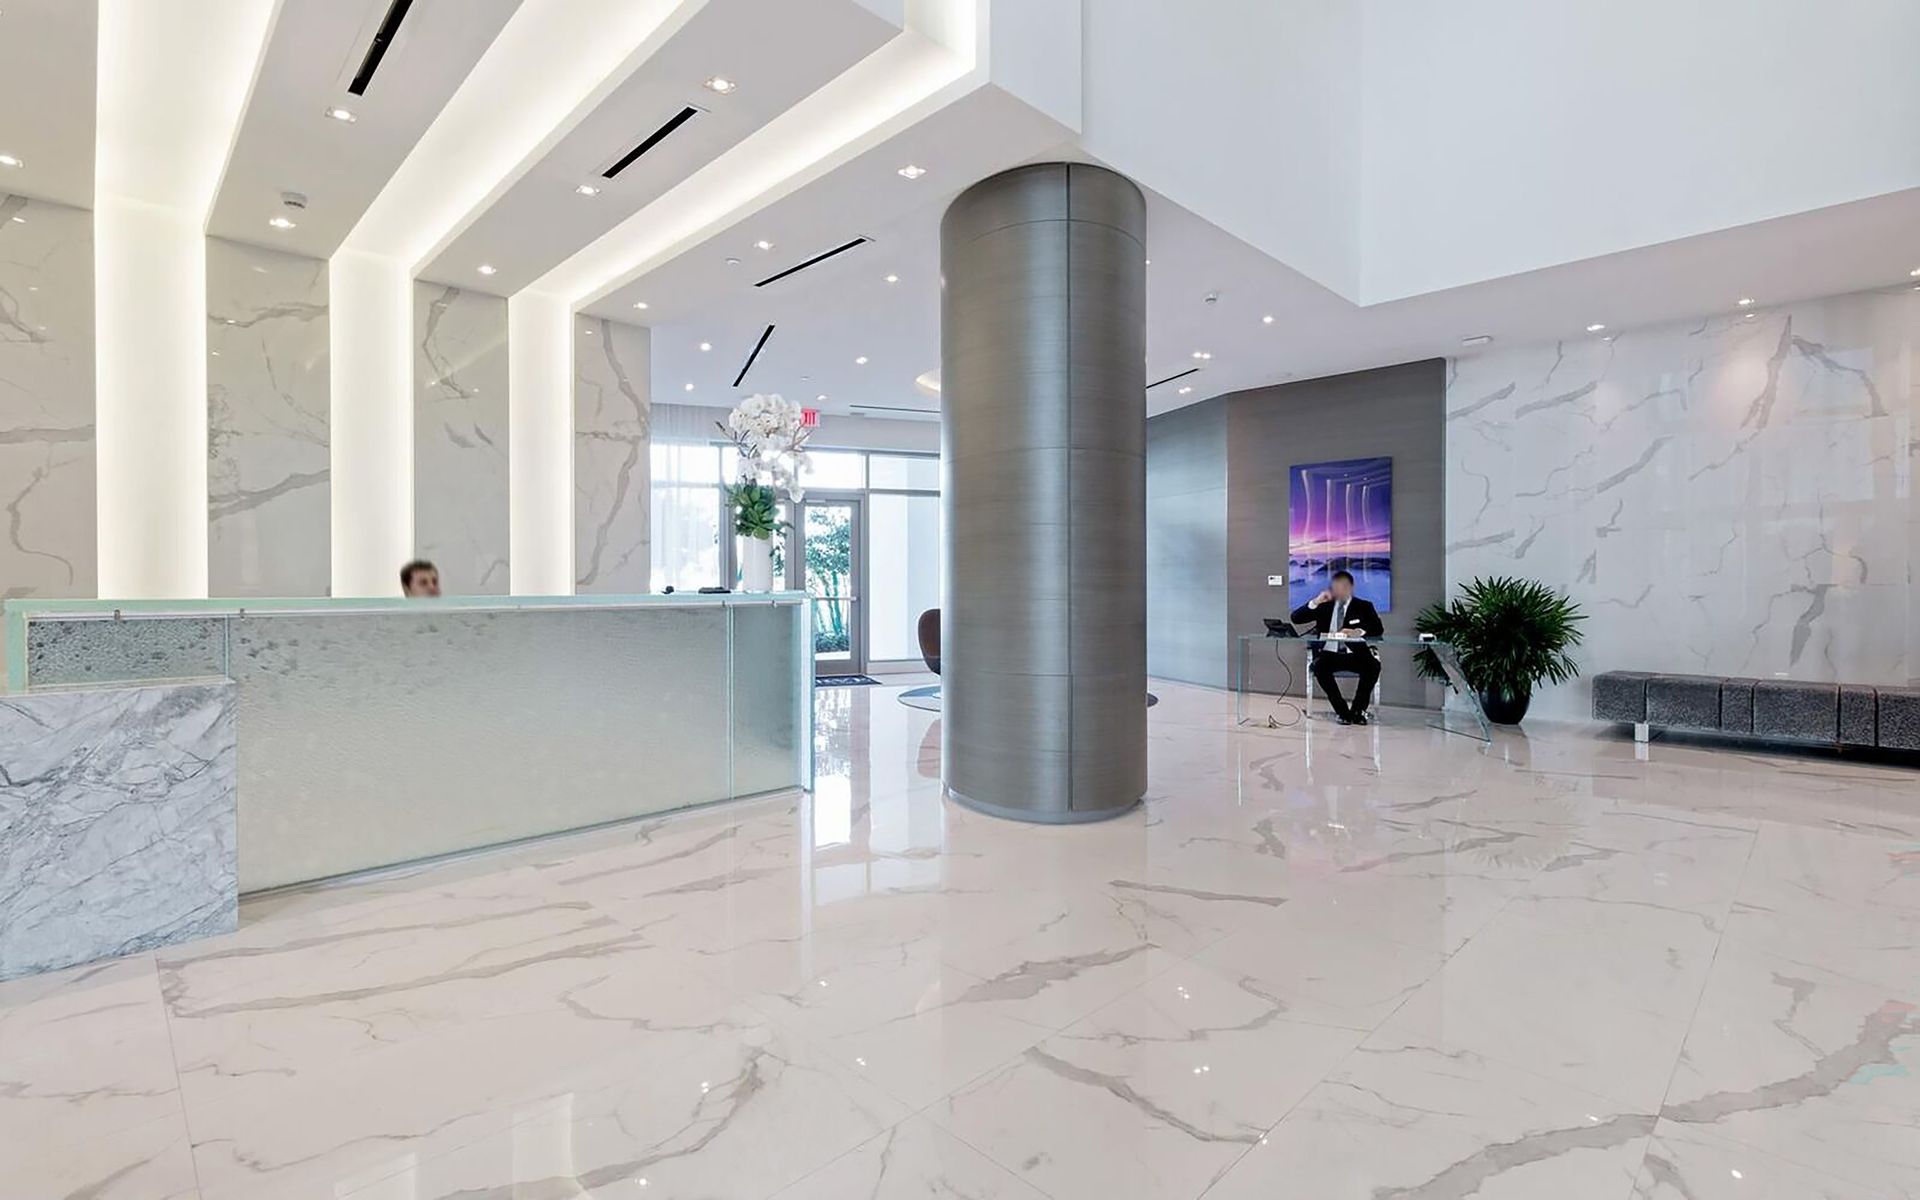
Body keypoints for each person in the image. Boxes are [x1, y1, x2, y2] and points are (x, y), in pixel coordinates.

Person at [1290, 569, 1384, 724]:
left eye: (1343, 586)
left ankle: (1358, 711)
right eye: (1336, 587)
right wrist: (1316, 601)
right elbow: (1296, 618)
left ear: (1350, 587)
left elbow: (1378, 629)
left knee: (1373, 666)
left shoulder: (1364, 606)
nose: (1339, 590)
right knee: (1319, 667)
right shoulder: (1324, 606)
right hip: (1329, 654)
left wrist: (1358, 632)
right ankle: (1343, 712)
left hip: (1356, 654)